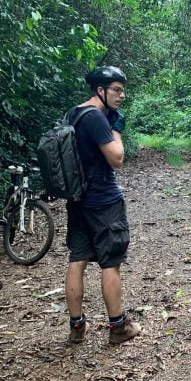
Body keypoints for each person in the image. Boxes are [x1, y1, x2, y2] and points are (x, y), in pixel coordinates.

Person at [65, 66, 141, 345]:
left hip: (78, 199)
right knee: (111, 262)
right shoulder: (97, 118)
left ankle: (76, 327)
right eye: (116, 90)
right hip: (103, 200)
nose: (122, 95)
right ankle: (119, 328)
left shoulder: (75, 113)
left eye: (122, 89)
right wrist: (116, 129)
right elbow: (117, 158)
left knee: (78, 260)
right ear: (101, 91)